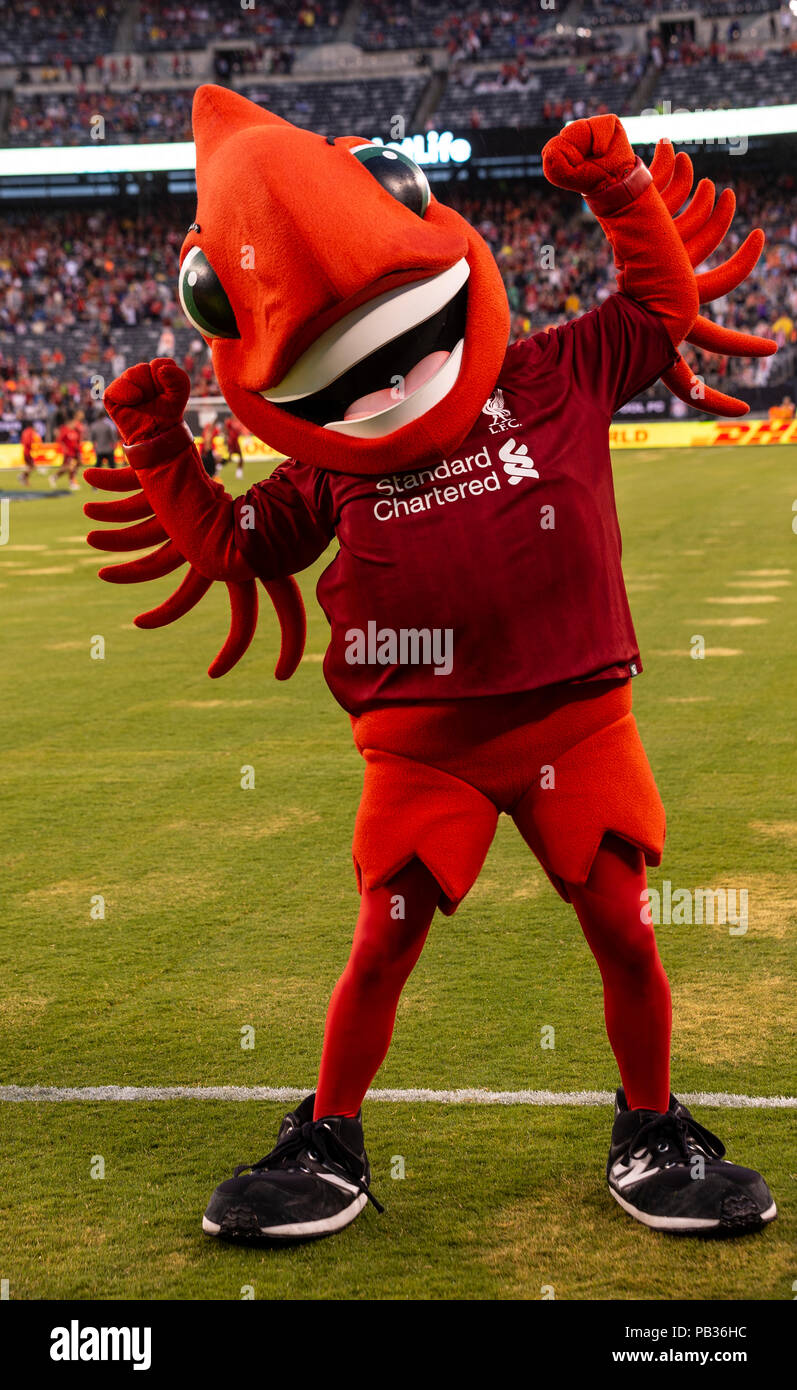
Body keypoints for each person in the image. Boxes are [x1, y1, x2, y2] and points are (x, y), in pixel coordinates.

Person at [89, 89, 778, 1247]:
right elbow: (238, 550)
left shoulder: (550, 369)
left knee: (624, 929)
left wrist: (618, 190)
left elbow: (657, 311)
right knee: (382, 941)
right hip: (424, 743)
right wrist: (161, 447)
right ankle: (329, 1136)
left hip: (576, 721)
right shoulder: (334, 466)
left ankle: (650, 1124)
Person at [51, 409, 85, 490]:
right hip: (68, 451)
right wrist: (64, 448)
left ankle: (55, 477)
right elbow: (59, 440)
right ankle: (72, 482)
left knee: (76, 464)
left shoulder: (76, 429)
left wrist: (78, 449)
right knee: (70, 466)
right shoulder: (66, 429)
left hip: (75, 450)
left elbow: (78, 439)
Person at [19, 418, 42, 485]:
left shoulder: (24, 431)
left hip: (24, 451)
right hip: (28, 451)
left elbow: (22, 442)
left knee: (30, 467)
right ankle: (22, 475)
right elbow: (30, 441)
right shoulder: (31, 431)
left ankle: (25, 481)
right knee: (33, 467)